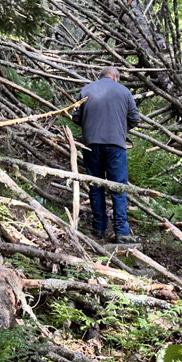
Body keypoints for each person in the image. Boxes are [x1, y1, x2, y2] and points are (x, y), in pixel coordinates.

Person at [73, 66, 140, 243]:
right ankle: (121, 232)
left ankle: (99, 229)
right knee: (118, 188)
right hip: (116, 146)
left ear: (101, 76)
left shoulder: (86, 89)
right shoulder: (124, 92)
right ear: (116, 78)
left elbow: (76, 117)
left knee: (96, 186)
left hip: (91, 145)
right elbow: (135, 118)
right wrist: (120, 129)